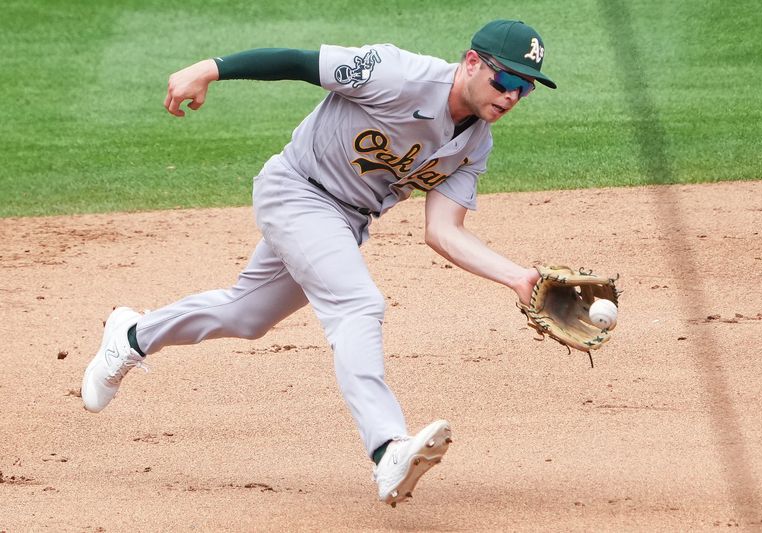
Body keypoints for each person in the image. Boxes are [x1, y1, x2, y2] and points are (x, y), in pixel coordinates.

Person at [81, 19, 556, 507]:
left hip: (344, 224)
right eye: (507, 81)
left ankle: (132, 337)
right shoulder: (396, 73)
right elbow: (301, 63)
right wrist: (208, 70)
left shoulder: (475, 144)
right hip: (296, 190)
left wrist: (517, 277)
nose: (513, 96)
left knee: (245, 315)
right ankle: (387, 448)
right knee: (358, 305)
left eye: (526, 89)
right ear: (472, 63)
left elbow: (444, 231)